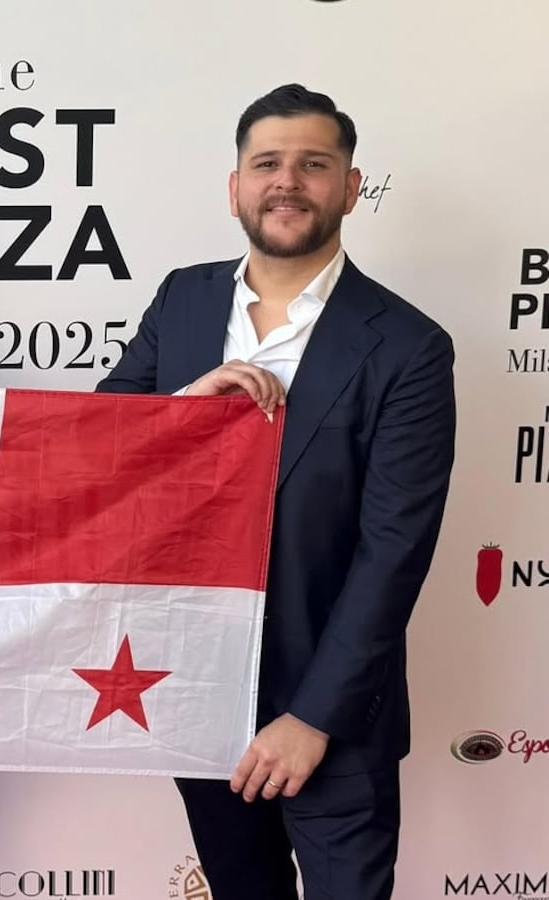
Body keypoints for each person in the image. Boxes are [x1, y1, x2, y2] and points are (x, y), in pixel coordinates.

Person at [97, 84, 455, 899]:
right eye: (266, 164)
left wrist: (314, 717)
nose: (286, 181)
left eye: (312, 164)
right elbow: (100, 441)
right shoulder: (183, 298)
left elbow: (394, 551)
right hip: (197, 692)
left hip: (333, 717)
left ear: (351, 188)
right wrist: (186, 406)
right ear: (235, 188)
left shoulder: (409, 346)